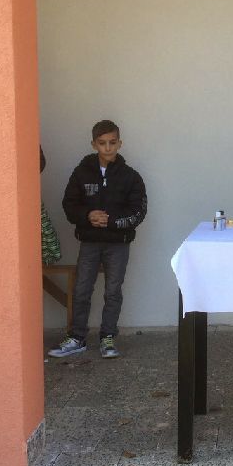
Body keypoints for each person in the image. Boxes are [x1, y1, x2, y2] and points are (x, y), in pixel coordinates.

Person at [49, 120, 147, 359]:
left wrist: (111, 221)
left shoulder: (131, 177)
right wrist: (87, 215)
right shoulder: (81, 172)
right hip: (90, 242)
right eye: (102, 143)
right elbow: (69, 204)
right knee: (81, 288)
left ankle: (108, 337)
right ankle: (77, 337)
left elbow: (138, 211)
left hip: (118, 243)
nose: (108, 148)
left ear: (120, 143)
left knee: (113, 290)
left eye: (112, 142)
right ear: (94, 144)